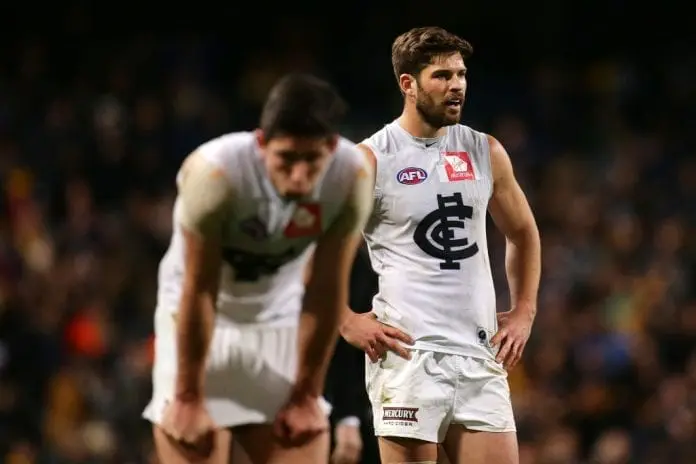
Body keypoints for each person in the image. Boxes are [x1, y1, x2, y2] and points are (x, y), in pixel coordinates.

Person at [141, 73, 374, 464]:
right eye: (286, 159)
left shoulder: (352, 177)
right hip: (194, 319)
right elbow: (200, 288)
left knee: (303, 438)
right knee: (192, 437)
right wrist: (187, 394)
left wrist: (307, 394)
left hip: (279, 319)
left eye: (312, 160)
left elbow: (326, 288)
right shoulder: (215, 175)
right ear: (261, 143)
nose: (298, 176)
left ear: (332, 148)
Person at [340, 27, 542, 464]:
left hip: (479, 356)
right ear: (407, 84)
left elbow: (523, 232)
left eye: (461, 74)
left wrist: (524, 310)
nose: (457, 86)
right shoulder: (371, 159)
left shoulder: (484, 150)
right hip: (408, 357)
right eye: (442, 76)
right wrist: (344, 320)